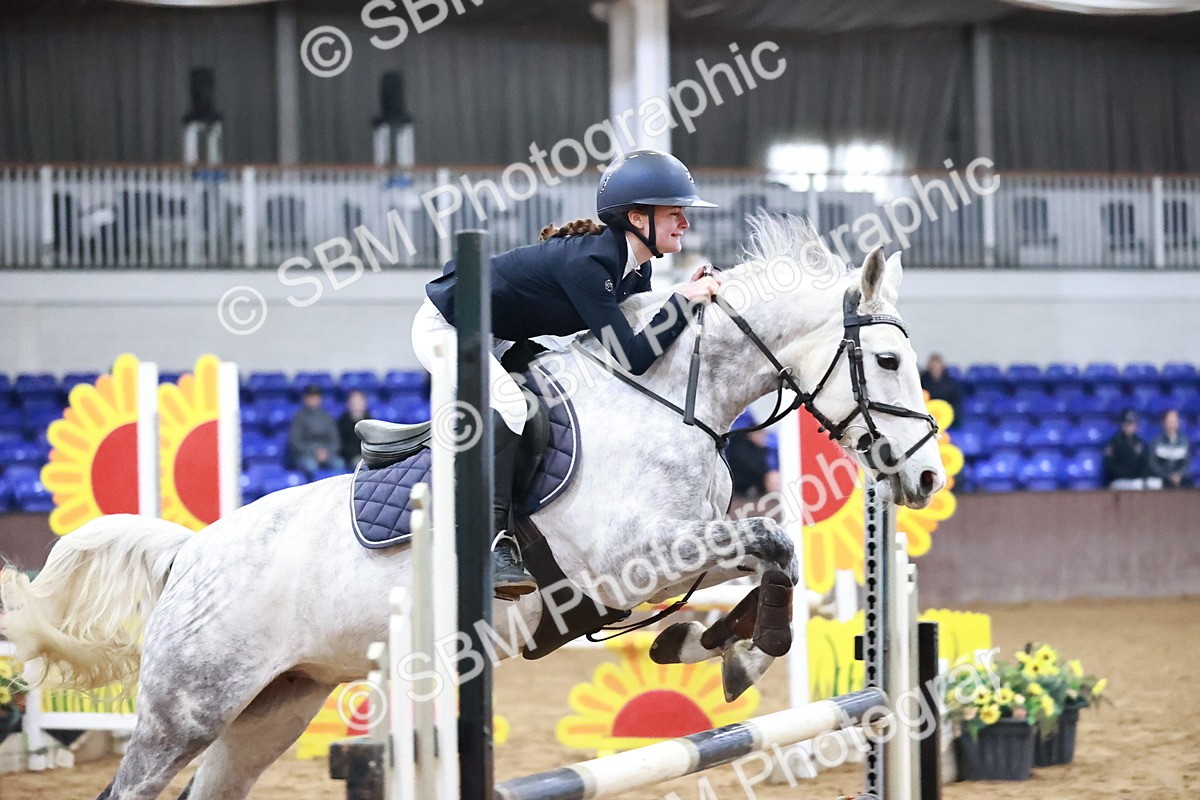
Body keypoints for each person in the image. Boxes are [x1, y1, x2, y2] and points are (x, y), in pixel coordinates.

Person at [414, 149, 721, 596]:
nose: (685, 224)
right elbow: (632, 355)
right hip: (449, 327)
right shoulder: (590, 264)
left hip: (501, 336)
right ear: (638, 218)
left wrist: (681, 295)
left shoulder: (636, 269)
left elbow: (644, 336)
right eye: (675, 213)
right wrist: (684, 299)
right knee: (513, 408)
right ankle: (492, 545)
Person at [288, 385, 346, 476]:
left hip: (327, 453)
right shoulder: (298, 418)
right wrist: (314, 452)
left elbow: (335, 440)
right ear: (305, 399)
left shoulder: (327, 417)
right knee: (311, 466)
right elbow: (295, 442)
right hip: (306, 455)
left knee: (339, 464)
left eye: (316, 397)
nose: (313, 399)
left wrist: (327, 452)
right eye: (310, 397)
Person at [1102, 409, 1153, 489]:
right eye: (1126, 423)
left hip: (1137, 481)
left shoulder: (1141, 443)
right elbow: (1110, 467)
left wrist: (1137, 478)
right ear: (1121, 425)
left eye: (1131, 424)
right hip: (1119, 481)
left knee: (1150, 484)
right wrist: (1128, 476)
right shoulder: (1113, 443)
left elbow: (1145, 465)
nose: (1128, 426)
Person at [1149, 408, 1192, 489]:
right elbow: (1153, 464)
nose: (1172, 424)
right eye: (1169, 422)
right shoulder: (1156, 442)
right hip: (1163, 479)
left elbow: (1187, 464)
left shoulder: (1184, 442)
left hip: (1181, 480)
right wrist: (1168, 476)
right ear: (1164, 423)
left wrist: (1179, 475)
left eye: (1174, 421)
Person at [338, 389, 372, 467]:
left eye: (359, 402)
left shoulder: (371, 421)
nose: (356, 405)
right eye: (354, 402)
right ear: (348, 404)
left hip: (368, 456)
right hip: (350, 457)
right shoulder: (342, 422)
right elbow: (341, 444)